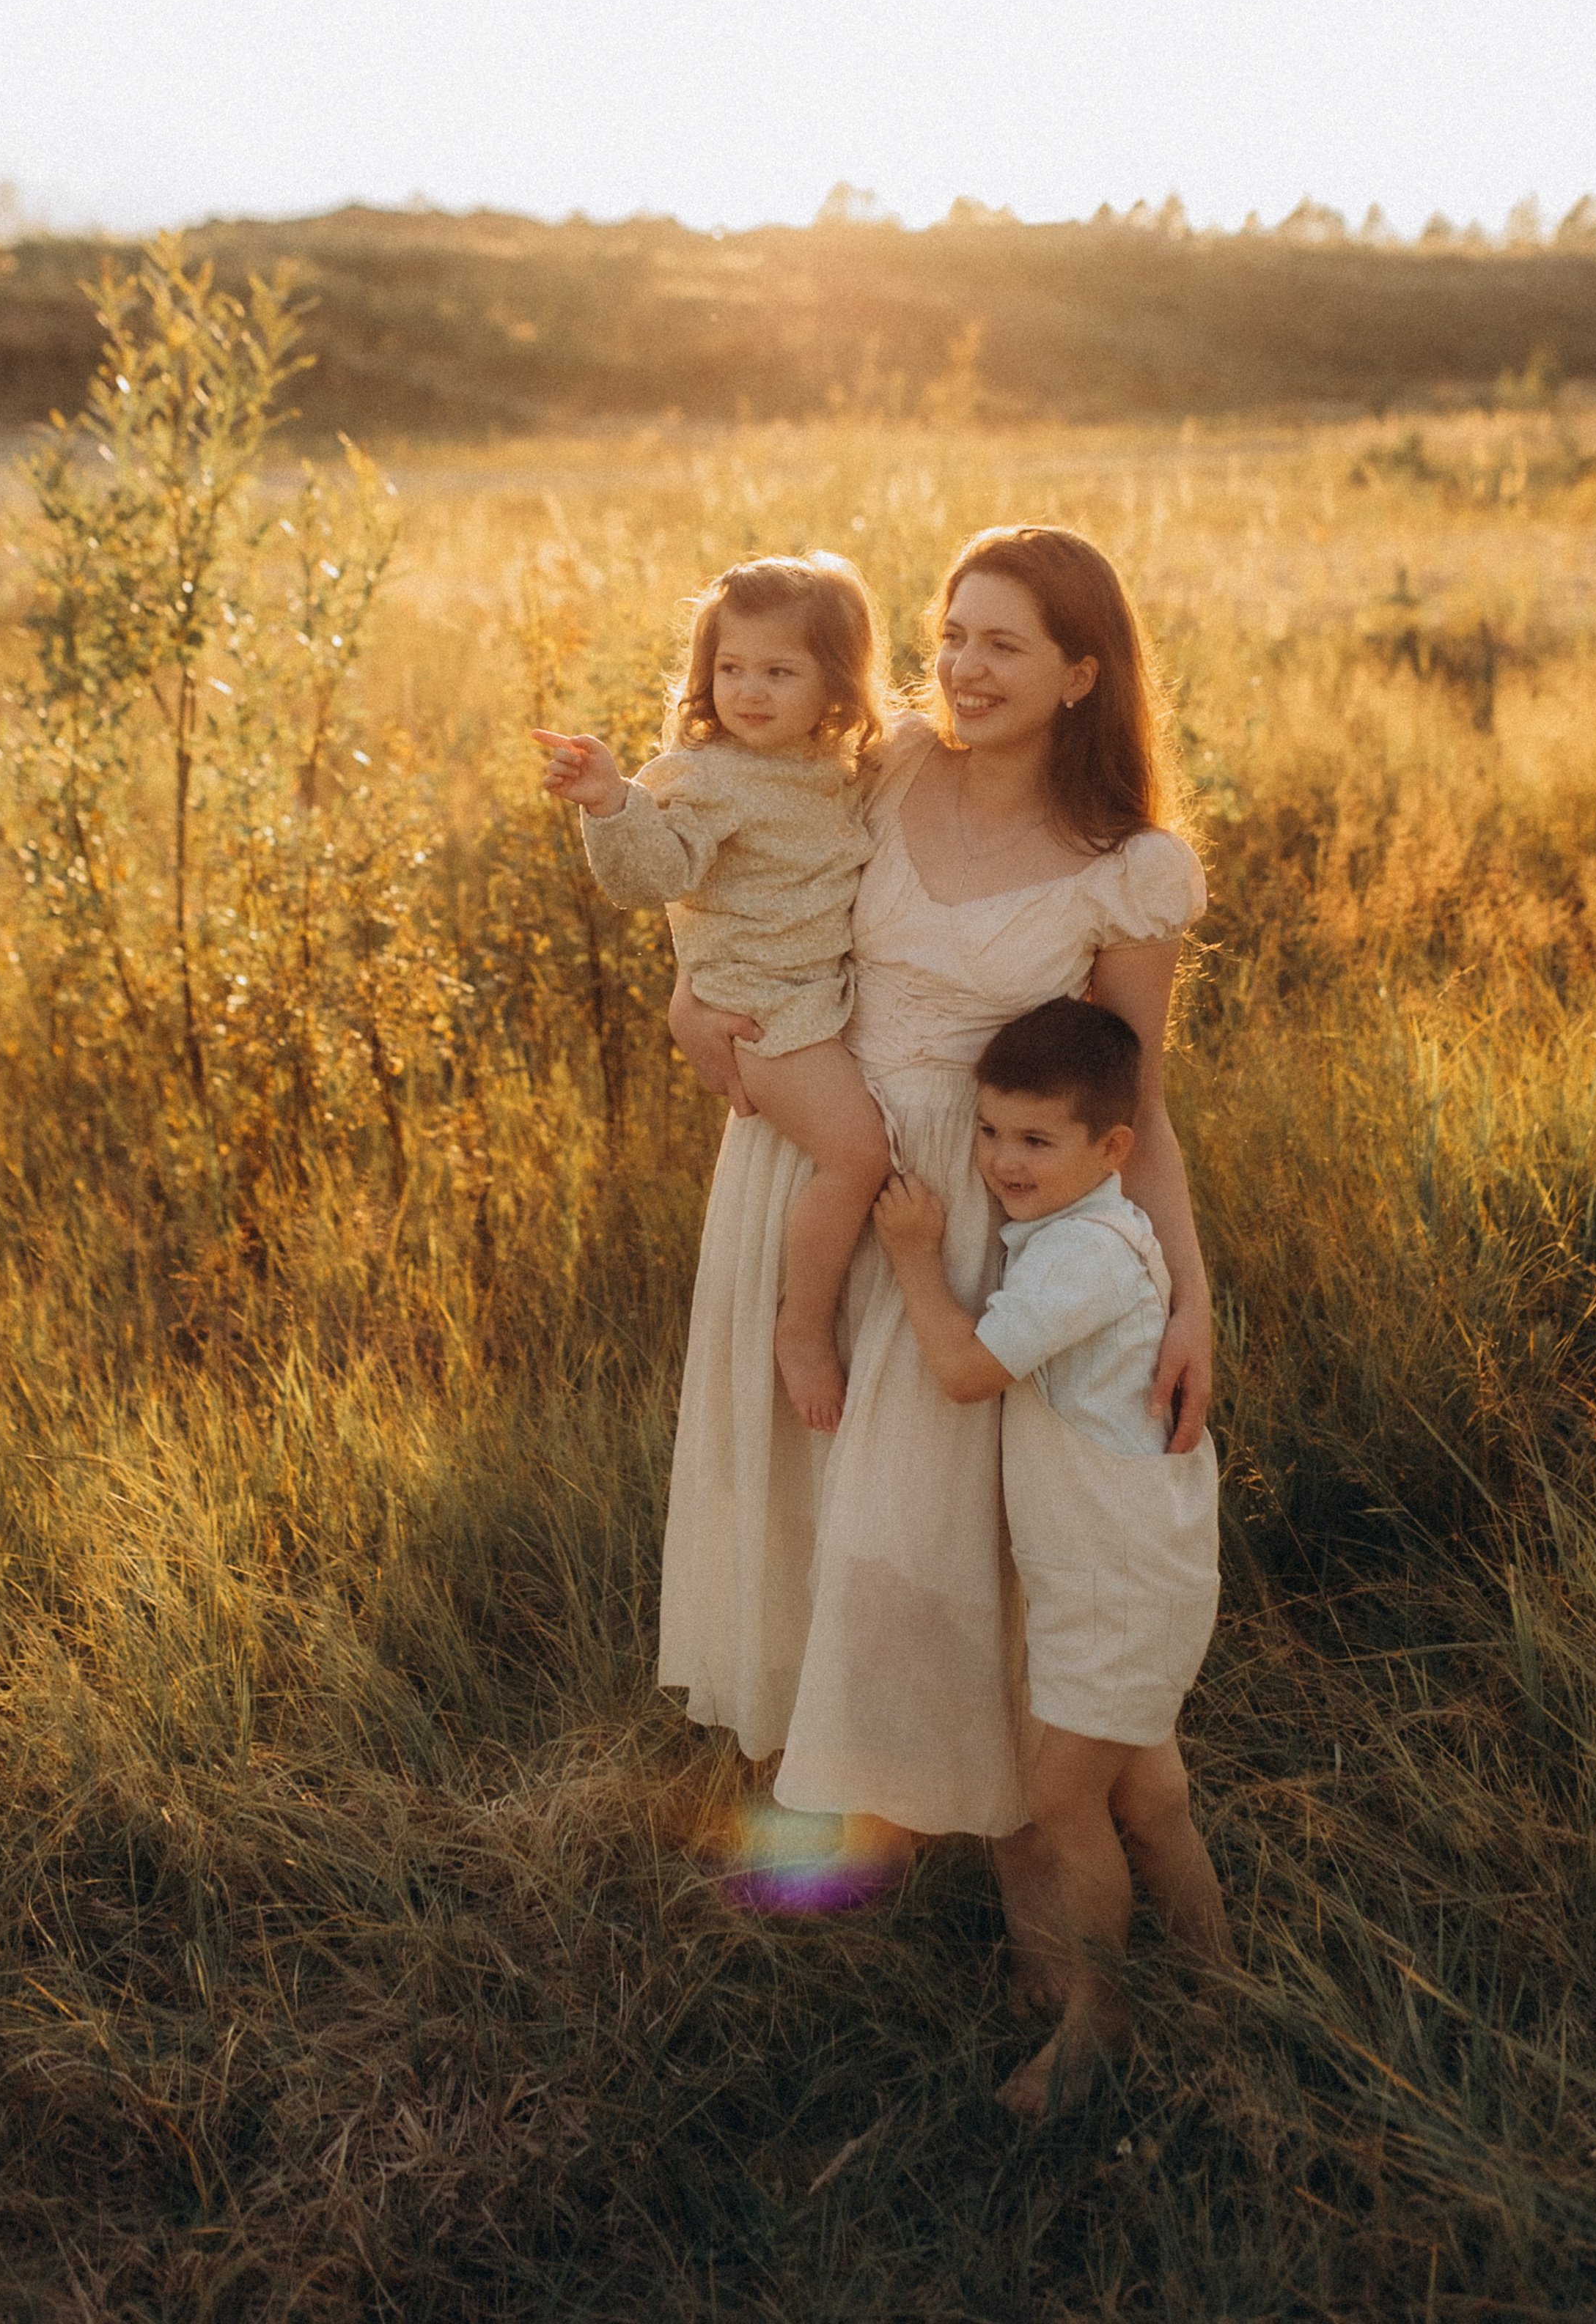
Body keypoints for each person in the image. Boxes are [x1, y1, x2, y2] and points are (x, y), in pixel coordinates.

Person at [661, 523, 1215, 1924]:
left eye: (1004, 644)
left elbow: (1130, 1107)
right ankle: (856, 1846)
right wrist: (687, 1006)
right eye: (952, 634)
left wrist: (1189, 1297)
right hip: (811, 1171)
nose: (962, 668)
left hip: (969, 1219)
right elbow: (743, 878)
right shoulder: (886, 759)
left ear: (1084, 672)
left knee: (930, 1531)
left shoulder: (1126, 867)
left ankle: (1011, 1827)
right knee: (815, 1502)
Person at [873, 997, 1228, 2114]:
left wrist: (918, 1262)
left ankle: (1099, 2021)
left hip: (1116, 1586)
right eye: (989, 1132)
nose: (1000, 1161)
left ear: (1110, 1149)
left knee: (1062, 1794)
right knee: (1154, 1798)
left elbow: (969, 1371)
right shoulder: (1094, 1230)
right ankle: (1221, 1995)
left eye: (1035, 1140)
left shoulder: (1080, 1262)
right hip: (1133, 1574)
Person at [535, 553, 893, 1429]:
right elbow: (652, 876)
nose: (750, 691)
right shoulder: (703, 775)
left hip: (817, 995)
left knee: (856, 1154)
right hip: (764, 1012)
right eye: (731, 669)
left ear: (835, 687)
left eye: (778, 671)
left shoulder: (832, 764)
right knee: (858, 1157)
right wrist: (613, 803)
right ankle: (801, 1327)